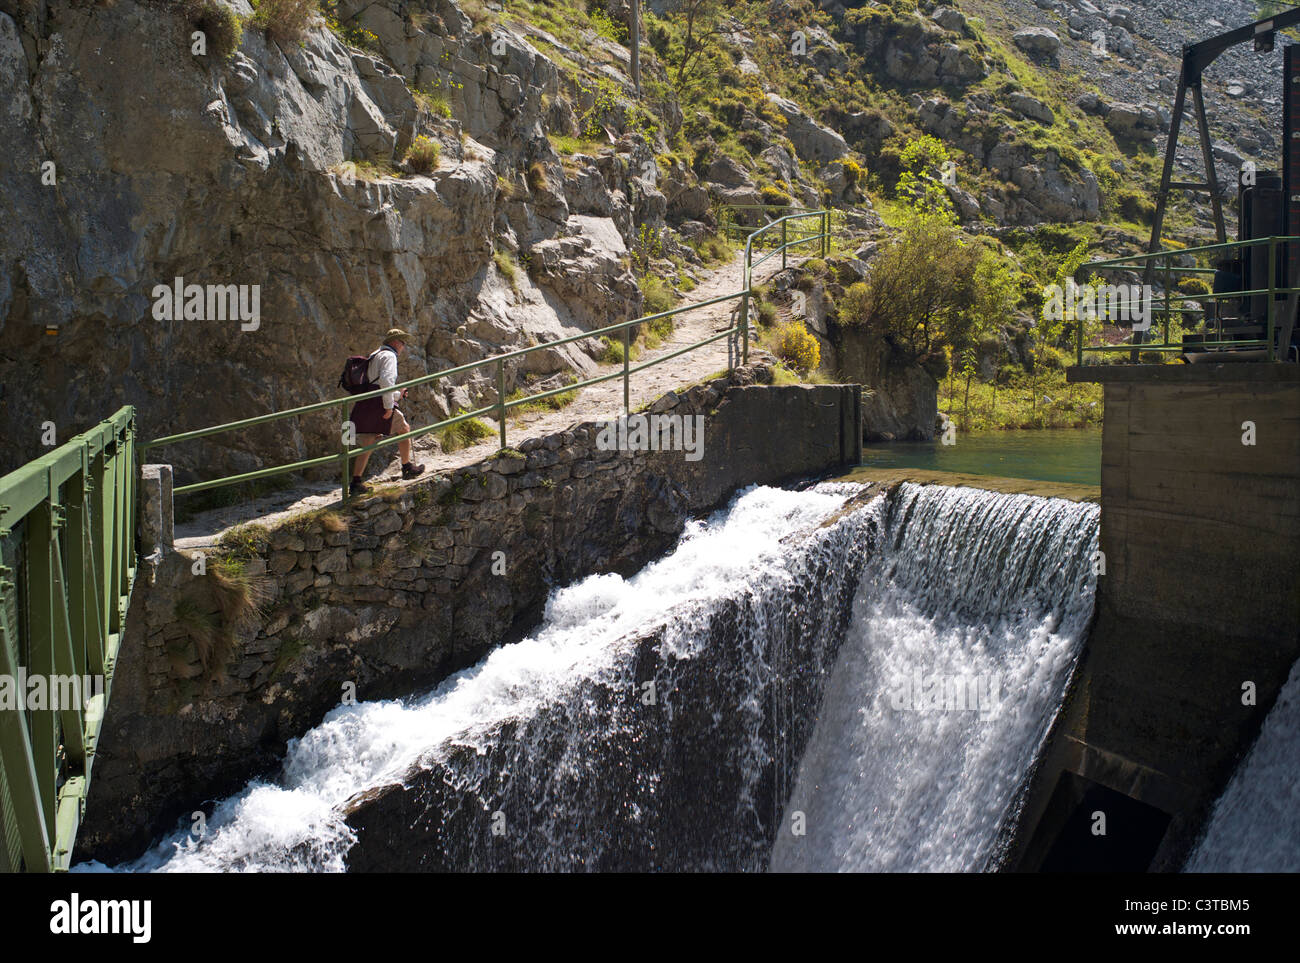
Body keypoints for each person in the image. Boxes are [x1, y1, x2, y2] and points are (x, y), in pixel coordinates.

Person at [347, 327, 425, 494]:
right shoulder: (389, 356)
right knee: (404, 428)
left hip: (367, 401)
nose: (403, 347)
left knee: (368, 441)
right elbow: (386, 382)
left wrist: (397, 394)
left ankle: (355, 482)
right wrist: (389, 407)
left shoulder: (376, 354)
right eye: (403, 343)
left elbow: (377, 384)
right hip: (380, 404)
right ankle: (407, 467)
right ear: (395, 342)